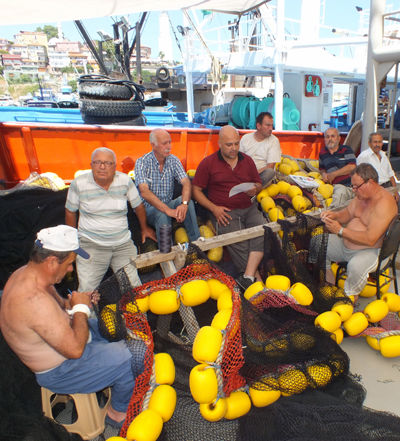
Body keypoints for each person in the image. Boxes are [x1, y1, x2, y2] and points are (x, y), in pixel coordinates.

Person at [0, 225, 145, 427]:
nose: (71, 269)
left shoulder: (29, 275)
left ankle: (114, 375)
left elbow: (62, 305)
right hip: (62, 368)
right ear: (51, 261)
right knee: (134, 356)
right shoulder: (32, 300)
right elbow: (75, 350)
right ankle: (117, 414)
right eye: (69, 264)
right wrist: (81, 311)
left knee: (116, 329)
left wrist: (79, 302)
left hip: (67, 342)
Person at [65, 147, 156, 292]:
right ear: (91, 165)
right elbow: (70, 211)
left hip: (122, 245)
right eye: (98, 162)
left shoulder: (125, 181)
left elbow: (138, 206)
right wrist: (72, 240)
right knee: (86, 292)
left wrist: (144, 228)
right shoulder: (79, 184)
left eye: (107, 163)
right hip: (91, 245)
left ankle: (137, 315)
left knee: (135, 289)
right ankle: (86, 314)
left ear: (114, 166)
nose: (102, 167)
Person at [192, 125, 265, 289]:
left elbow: (259, 184)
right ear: (219, 143)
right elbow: (196, 190)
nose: (234, 148)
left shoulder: (247, 160)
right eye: (229, 145)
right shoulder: (208, 163)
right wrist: (214, 208)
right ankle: (258, 283)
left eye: (236, 144)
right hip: (223, 211)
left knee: (262, 230)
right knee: (239, 241)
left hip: (248, 207)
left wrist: (255, 189)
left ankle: (247, 277)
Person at [321, 164, 398, 303]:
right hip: (346, 246)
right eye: (352, 186)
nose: (354, 190)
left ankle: (351, 299)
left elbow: (371, 239)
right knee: (318, 241)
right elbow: (349, 213)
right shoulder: (361, 195)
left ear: (370, 183)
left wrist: (340, 230)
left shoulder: (384, 203)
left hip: (372, 252)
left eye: (356, 186)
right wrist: (334, 215)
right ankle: (329, 280)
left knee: (355, 266)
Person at [135, 128, 200, 243]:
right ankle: (167, 254)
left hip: (168, 204)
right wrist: (167, 210)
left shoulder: (173, 160)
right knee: (162, 214)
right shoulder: (142, 162)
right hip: (148, 210)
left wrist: (184, 204)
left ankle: (197, 243)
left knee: (187, 202)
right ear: (153, 145)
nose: (169, 146)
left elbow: (186, 182)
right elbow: (144, 192)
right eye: (164, 143)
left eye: (170, 142)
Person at [356, 132, 399, 207]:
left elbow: (391, 174)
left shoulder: (383, 155)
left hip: (388, 187)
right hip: (375, 189)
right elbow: (360, 179)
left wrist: (395, 192)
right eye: (375, 142)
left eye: (379, 142)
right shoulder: (363, 156)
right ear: (369, 143)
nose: (377, 144)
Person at [239, 111, 281, 187]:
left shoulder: (274, 141)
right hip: (245, 175)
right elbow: (239, 161)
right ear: (258, 125)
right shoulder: (245, 138)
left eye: (271, 125)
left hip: (261, 176)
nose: (271, 128)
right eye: (267, 125)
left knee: (270, 172)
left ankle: (250, 187)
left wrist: (252, 175)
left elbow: (270, 167)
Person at [318, 127, 356, 206]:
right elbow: (322, 169)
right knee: (339, 193)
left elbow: (352, 167)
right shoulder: (322, 152)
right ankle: (332, 216)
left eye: (333, 136)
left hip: (353, 185)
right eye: (327, 137)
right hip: (339, 186)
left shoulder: (346, 150)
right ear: (324, 139)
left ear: (339, 138)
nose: (330, 139)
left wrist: (334, 174)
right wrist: (324, 174)